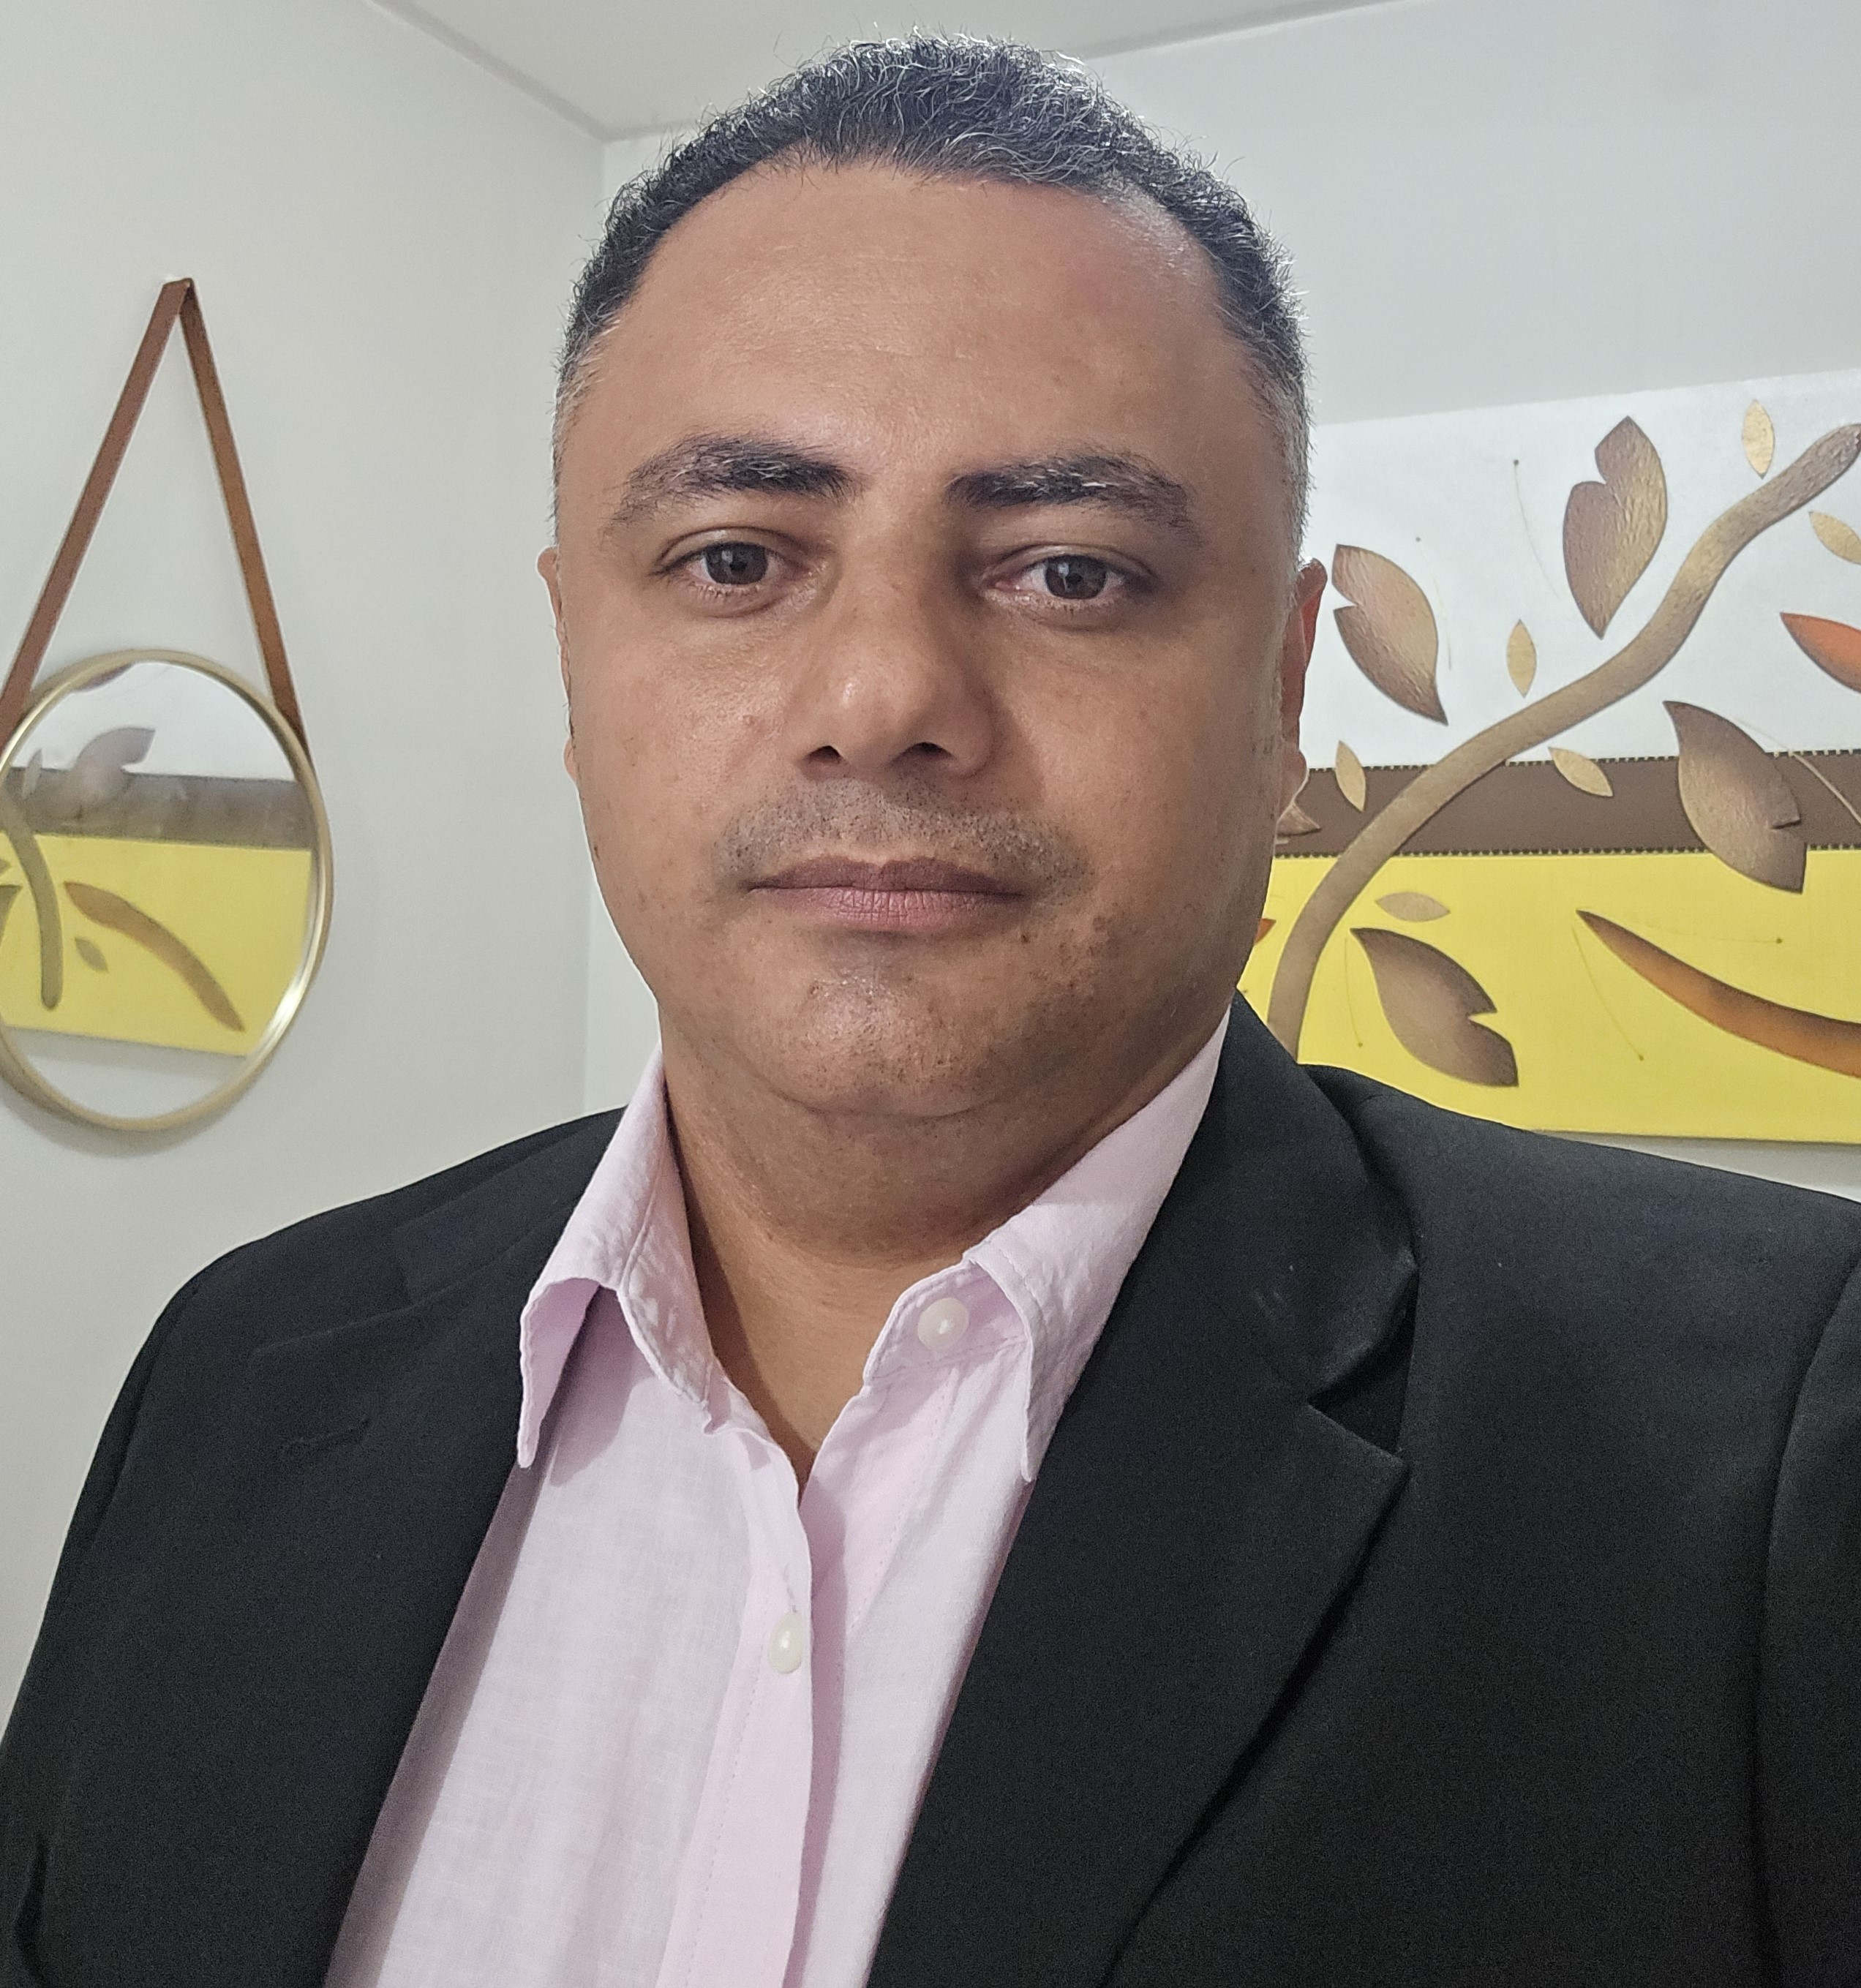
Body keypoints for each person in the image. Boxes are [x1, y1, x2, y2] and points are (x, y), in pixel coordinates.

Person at [3, 34, 1857, 1988]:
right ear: (574, 655)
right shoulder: (244, 1370)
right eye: (736, 559)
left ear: (1284, 688)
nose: (883, 695)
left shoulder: (1764, 1459)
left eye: (1073, 573)